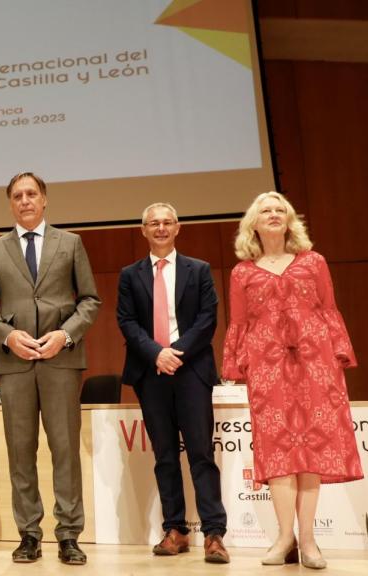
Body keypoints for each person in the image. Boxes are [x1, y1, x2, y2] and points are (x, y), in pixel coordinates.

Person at [222, 191, 363, 570]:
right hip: (267, 368)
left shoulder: (313, 261)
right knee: (278, 452)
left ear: (289, 219)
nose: (273, 214)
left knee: (312, 449)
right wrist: (235, 364)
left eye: (279, 209)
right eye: (265, 210)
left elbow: (328, 307)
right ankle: (285, 538)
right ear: (253, 222)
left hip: (315, 364)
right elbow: (238, 322)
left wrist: (338, 352)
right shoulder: (242, 272)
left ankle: (310, 540)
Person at [0, 172, 100, 565]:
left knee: (64, 451)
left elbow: (90, 300)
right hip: (14, 364)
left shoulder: (71, 243)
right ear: (10, 203)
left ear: (44, 199)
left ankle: (68, 535)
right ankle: (28, 533)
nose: (25, 200)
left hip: (61, 360)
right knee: (20, 452)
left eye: (32, 194)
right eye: (18, 195)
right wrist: (8, 336)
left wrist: (66, 334)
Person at [116, 202, 229, 563]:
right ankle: (176, 529)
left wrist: (175, 352)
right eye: (154, 223)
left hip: (192, 370)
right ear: (143, 230)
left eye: (167, 222)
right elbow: (127, 321)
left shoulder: (199, 270)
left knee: (201, 454)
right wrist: (157, 354)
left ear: (178, 228)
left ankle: (214, 533)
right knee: (165, 456)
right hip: (151, 374)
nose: (161, 228)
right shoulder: (129, 275)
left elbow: (208, 319)